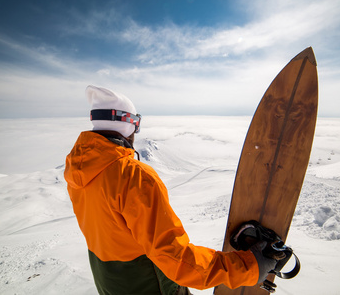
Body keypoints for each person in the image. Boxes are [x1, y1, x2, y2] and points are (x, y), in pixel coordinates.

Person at [64, 85, 277, 295]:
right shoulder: (133, 178)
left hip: (111, 286)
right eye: (136, 123)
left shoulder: (78, 171)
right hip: (151, 288)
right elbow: (176, 261)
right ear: (129, 124)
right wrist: (249, 267)